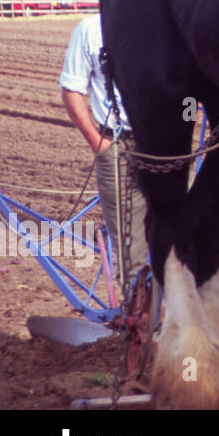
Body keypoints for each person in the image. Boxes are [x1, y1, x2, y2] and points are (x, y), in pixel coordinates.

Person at [60, 14, 148, 288]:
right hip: (116, 145)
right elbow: (72, 89)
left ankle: (175, 311)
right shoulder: (91, 29)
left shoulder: (169, 21)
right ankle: (135, 312)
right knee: (128, 237)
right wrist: (97, 142)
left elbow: (189, 94)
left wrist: (185, 126)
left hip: (166, 146)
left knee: (183, 230)